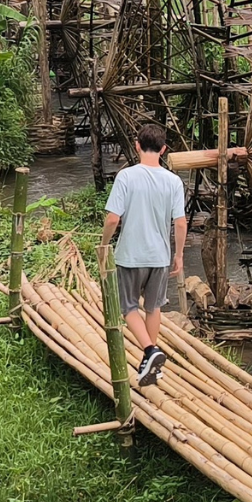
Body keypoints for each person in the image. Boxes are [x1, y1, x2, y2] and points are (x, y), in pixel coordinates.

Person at [100, 124, 186, 386]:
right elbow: (180, 222)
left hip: (130, 256)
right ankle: (152, 366)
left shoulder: (126, 177)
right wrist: (179, 254)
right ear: (163, 149)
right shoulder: (174, 181)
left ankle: (150, 351)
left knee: (127, 307)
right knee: (153, 307)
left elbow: (113, 219)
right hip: (160, 257)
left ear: (137, 145)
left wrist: (104, 246)